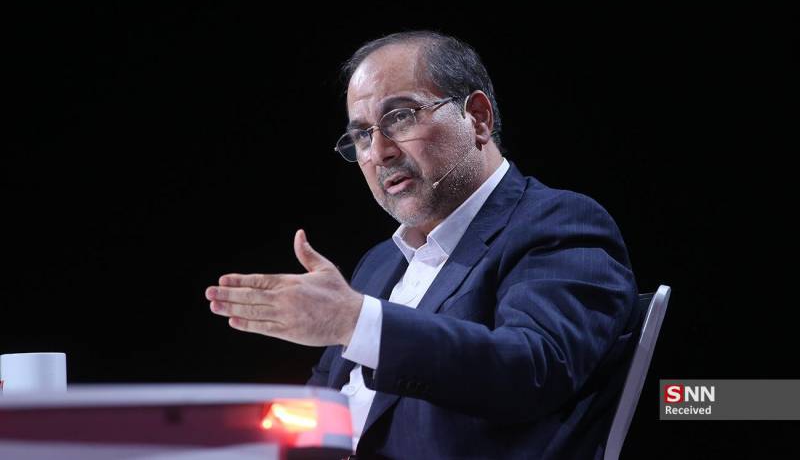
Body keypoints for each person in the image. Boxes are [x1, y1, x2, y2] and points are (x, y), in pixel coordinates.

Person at [205, 31, 639, 459]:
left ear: (478, 118)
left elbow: (533, 369)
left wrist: (357, 322)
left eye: (400, 117)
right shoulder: (379, 264)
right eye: (362, 135)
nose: (379, 152)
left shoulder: (559, 223)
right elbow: (324, 413)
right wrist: (251, 436)